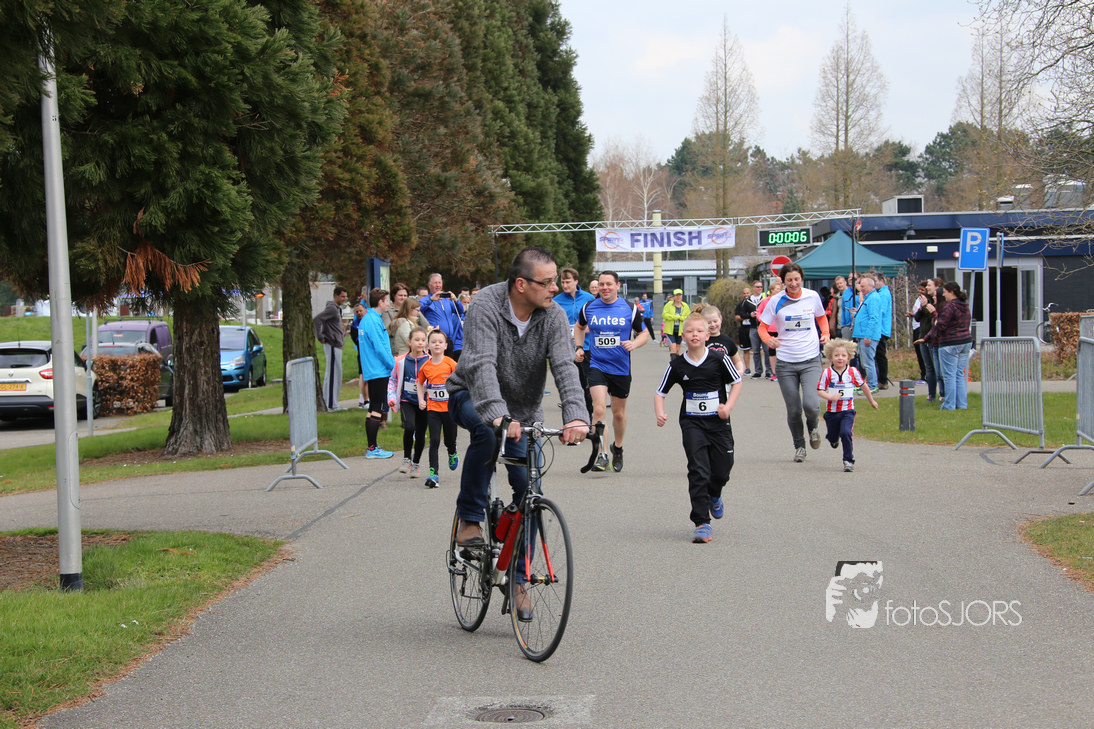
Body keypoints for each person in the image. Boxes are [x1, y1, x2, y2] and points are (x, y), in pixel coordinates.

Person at [447, 247, 588, 552]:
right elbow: (481, 363)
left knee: (530, 490)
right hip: (471, 395)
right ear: (521, 284)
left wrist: (576, 415)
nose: (555, 288)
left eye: (555, 280)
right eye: (547, 282)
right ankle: (470, 518)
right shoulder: (486, 304)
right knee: (487, 432)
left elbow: (564, 366)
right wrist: (497, 413)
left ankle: (521, 574)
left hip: (523, 411)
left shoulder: (553, 315)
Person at [655, 313, 742, 543]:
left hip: (719, 423)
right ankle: (702, 522)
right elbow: (660, 392)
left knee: (722, 470)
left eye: (699, 331)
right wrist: (660, 413)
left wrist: (728, 407)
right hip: (692, 423)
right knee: (698, 470)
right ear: (683, 336)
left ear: (707, 335)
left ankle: (715, 493)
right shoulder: (677, 365)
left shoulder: (719, 359)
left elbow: (736, 382)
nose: (695, 334)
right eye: (690, 331)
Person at [575, 270, 650, 472]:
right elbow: (579, 327)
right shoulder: (589, 307)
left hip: (620, 368)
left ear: (617, 286)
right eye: (601, 284)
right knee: (599, 410)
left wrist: (634, 344)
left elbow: (644, 333)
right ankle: (602, 455)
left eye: (609, 284)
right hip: (597, 365)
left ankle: (617, 447)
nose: (604, 288)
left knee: (618, 413)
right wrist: (579, 347)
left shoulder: (629, 308)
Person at [757, 263, 829, 463]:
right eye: (789, 280)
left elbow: (821, 317)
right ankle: (799, 446)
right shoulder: (776, 300)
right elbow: (762, 327)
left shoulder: (812, 296)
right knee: (794, 410)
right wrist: (768, 340)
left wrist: (825, 333)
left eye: (797, 279)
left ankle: (813, 428)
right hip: (786, 363)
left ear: (801, 279)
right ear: (783, 281)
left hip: (811, 360)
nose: (794, 283)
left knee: (811, 405)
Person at [817, 338, 878, 473]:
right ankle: (833, 440)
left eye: (843, 355)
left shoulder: (853, 372)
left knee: (846, 433)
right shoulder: (827, 373)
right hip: (832, 412)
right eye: (836, 355)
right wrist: (831, 397)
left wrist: (871, 401)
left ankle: (848, 460)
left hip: (847, 411)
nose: (840, 358)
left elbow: (864, 386)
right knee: (833, 436)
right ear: (830, 357)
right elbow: (820, 390)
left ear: (849, 357)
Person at [416, 329, 459, 487]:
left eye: (440, 342)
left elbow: (461, 379)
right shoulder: (426, 366)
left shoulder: (450, 363)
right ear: (428, 346)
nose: (437, 344)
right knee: (434, 440)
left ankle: (452, 452)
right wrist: (421, 399)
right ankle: (434, 474)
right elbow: (420, 383)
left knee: (449, 440)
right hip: (433, 409)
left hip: (449, 410)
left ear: (445, 345)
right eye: (433, 342)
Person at [358, 288, 396, 458]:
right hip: (379, 370)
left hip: (373, 369)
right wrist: (392, 365)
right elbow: (380, 347)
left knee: (373, 408)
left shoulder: (368, 319)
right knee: (378, 409)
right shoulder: (373, 320)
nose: (388, 303)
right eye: (386, 300)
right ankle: (372, 449)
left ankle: (372, 447)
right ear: (380, 302)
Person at [388, 327, 429, 477]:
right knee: (409, 426)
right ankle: (406, 459)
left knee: (421, 433)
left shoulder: (429, 361)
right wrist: (392, 398)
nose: (420, 343)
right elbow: (393, 380)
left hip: (424, 402)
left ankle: (416, 463)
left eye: (423, 340)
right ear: (409, 342)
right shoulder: (401, 361)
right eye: (417, 340)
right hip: (407, 400)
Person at [555, 267, 596, 417]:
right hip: (566, 349)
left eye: (568, 282)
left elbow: (597, 318)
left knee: (586, 385)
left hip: (586, 347)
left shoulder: (588, 298)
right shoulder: (556, 301)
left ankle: (589, 417)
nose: (565, 285)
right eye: (562, 282)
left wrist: (590, 326)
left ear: (576, 281)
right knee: (570, 386)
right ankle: (572, 418)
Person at [931, 282, 973, 410]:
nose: (943, 295)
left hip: (950, 343)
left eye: (945, 292)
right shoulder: (965, 305)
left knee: (949, 376)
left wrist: (936, 321)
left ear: (951, 292)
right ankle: (962, 404)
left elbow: (941, 326)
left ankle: (949, 405)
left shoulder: (949, 307)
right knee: (959, 374)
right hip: (965, 341)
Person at [313, 285, 348, 411]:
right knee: (334, 374)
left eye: (345, 297)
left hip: (337, 344)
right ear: (336, 296)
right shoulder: (332, 309)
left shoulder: (337, 309)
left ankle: (329, 402)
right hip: (332, 344)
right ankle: (331, 404)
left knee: (333, 373)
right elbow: (317, 319)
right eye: (342, 297)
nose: (344, 299)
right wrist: (320, 336)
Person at [420, 273, 465, 361]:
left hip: (448, 341)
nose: (438, 285)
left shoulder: (447, 300)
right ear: (429, 285)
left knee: (449, 365)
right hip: (435, 341)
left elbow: (460, 311)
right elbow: (418, 309)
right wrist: (430, 300)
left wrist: (456, 300)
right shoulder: (426, 299)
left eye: (439, 283)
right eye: (435, 283)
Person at [850, 275, 882, 391]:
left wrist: (868, 335)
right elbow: (866, 314)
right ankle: (868, 384)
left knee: (868, 362)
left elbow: (874, 318)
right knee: (864, 362)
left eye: (863, 286)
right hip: (862, 334)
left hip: (868, 335)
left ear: (870, 286)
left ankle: (873, 385)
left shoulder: (873, 298)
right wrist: (856, 314)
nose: (861, 289)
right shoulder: (868, 298)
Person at [703, 305, 745, 375]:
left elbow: (737, 361)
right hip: (706, 377)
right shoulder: (701, 341)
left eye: (715, 321)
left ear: (721, 319)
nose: (712, 324)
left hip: (724, 377)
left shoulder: (728, 341)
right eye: (708, 323)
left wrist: (740, 370)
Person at [754, 280, 783, 380]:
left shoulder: (783, 300)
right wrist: (761, 320)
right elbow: (758, 311)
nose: (779, 291)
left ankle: (782, 372)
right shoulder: (766, 301)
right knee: (771, 351)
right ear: (772, 290)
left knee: (781, 351)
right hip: (770, 329)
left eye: (780, 289)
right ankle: (774, 373)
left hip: (781, 329)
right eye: (777, 289)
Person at [743, 280, 768, 379]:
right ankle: (758, 371)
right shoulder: (748, 301)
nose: (759, 288)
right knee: (756, 350)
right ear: (753, 288)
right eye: (757, 287)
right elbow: (741, 313)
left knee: (766, 350)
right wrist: (750, 315)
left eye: (761, 287)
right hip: (753, 327)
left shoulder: (765, 298)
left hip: (764, 327)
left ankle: (769, 371)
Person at [873, 271, 893, 390]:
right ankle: (880, 378)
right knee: (878, 355)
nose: (874, 284)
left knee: (880, 355)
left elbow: (881, 311)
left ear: (882, 281)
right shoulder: (880, 293)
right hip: (880, 328)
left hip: (881, 329)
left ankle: (883, 380)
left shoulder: (884, 294)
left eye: (875, 281)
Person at [349, 301, 367, 408]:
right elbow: (356, 339)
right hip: (362, 353)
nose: (359, 313)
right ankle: (362, 399)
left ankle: (368, 398)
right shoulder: (354, 325)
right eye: (357, 312)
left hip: (370, 353)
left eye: (360, 311)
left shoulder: (369, 321)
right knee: (363, 375)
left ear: (365, 310)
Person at [662, 289, 690, 358]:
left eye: (679, 295)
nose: (678, 297)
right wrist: (674, 317)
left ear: (682, 296)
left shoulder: (685, 306)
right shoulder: (669, 305)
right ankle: (673, 363)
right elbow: (665, 314)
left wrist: (680, 318)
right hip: (670, 330)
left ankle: (676, 363)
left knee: (677, 350)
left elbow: (688, 317)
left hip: (680, 331)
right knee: (673, 348)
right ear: (674, 296)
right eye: (676, 295)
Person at [732, 286, 754, 374]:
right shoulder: (740, 305)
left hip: (753, 327)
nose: (746, 295)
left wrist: (745, 315)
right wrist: (748, 316)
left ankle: (759, 369)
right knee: (746, 349)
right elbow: (737, 317)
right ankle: (748, 368)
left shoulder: (754, 304)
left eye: (747, 293)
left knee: (758, 349)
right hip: (744, 328)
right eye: (744, 293)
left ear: (751, 293)